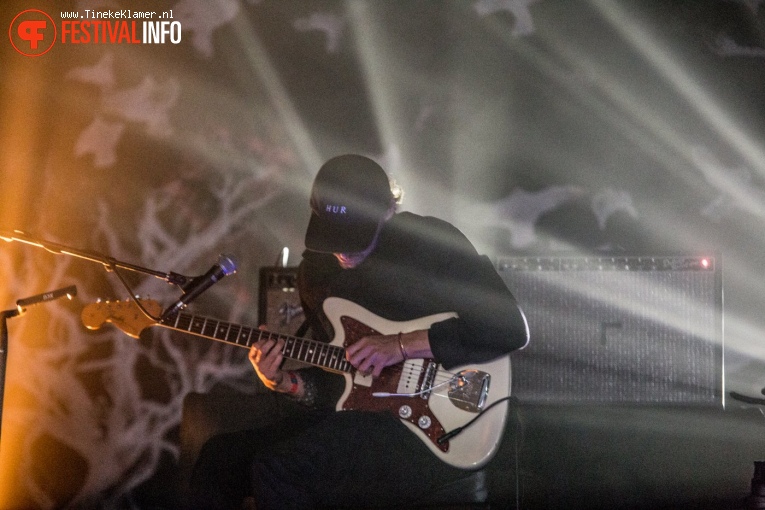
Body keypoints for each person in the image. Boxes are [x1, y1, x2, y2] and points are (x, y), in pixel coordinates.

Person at [188, 154, 530, 509]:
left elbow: (507, 328)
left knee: (282, 469)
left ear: (387, 212)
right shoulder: (317, 274)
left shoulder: (432, 244)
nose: (341, 250)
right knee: (221, 459)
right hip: (357, 420)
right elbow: (341, 384)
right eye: (331, 235)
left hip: (433, 425)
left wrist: (401, 345)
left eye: (354, 236)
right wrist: (286, 383)